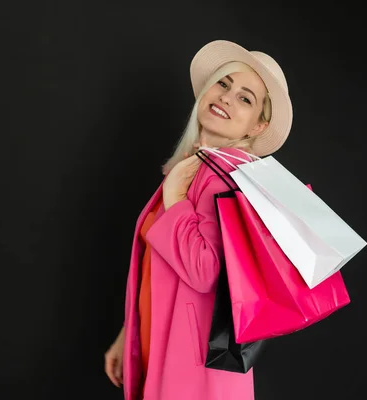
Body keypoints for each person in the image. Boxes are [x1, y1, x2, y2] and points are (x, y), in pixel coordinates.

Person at [104, 40, 293, 400]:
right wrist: (128, 332)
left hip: (195, 366)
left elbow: (203, 270)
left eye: (245, 98)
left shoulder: (226, 177)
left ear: (257, 126)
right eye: (223, 84)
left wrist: (174, 198)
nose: (226, 97)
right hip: (165, 343)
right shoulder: (196, 167)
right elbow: (157, 265)